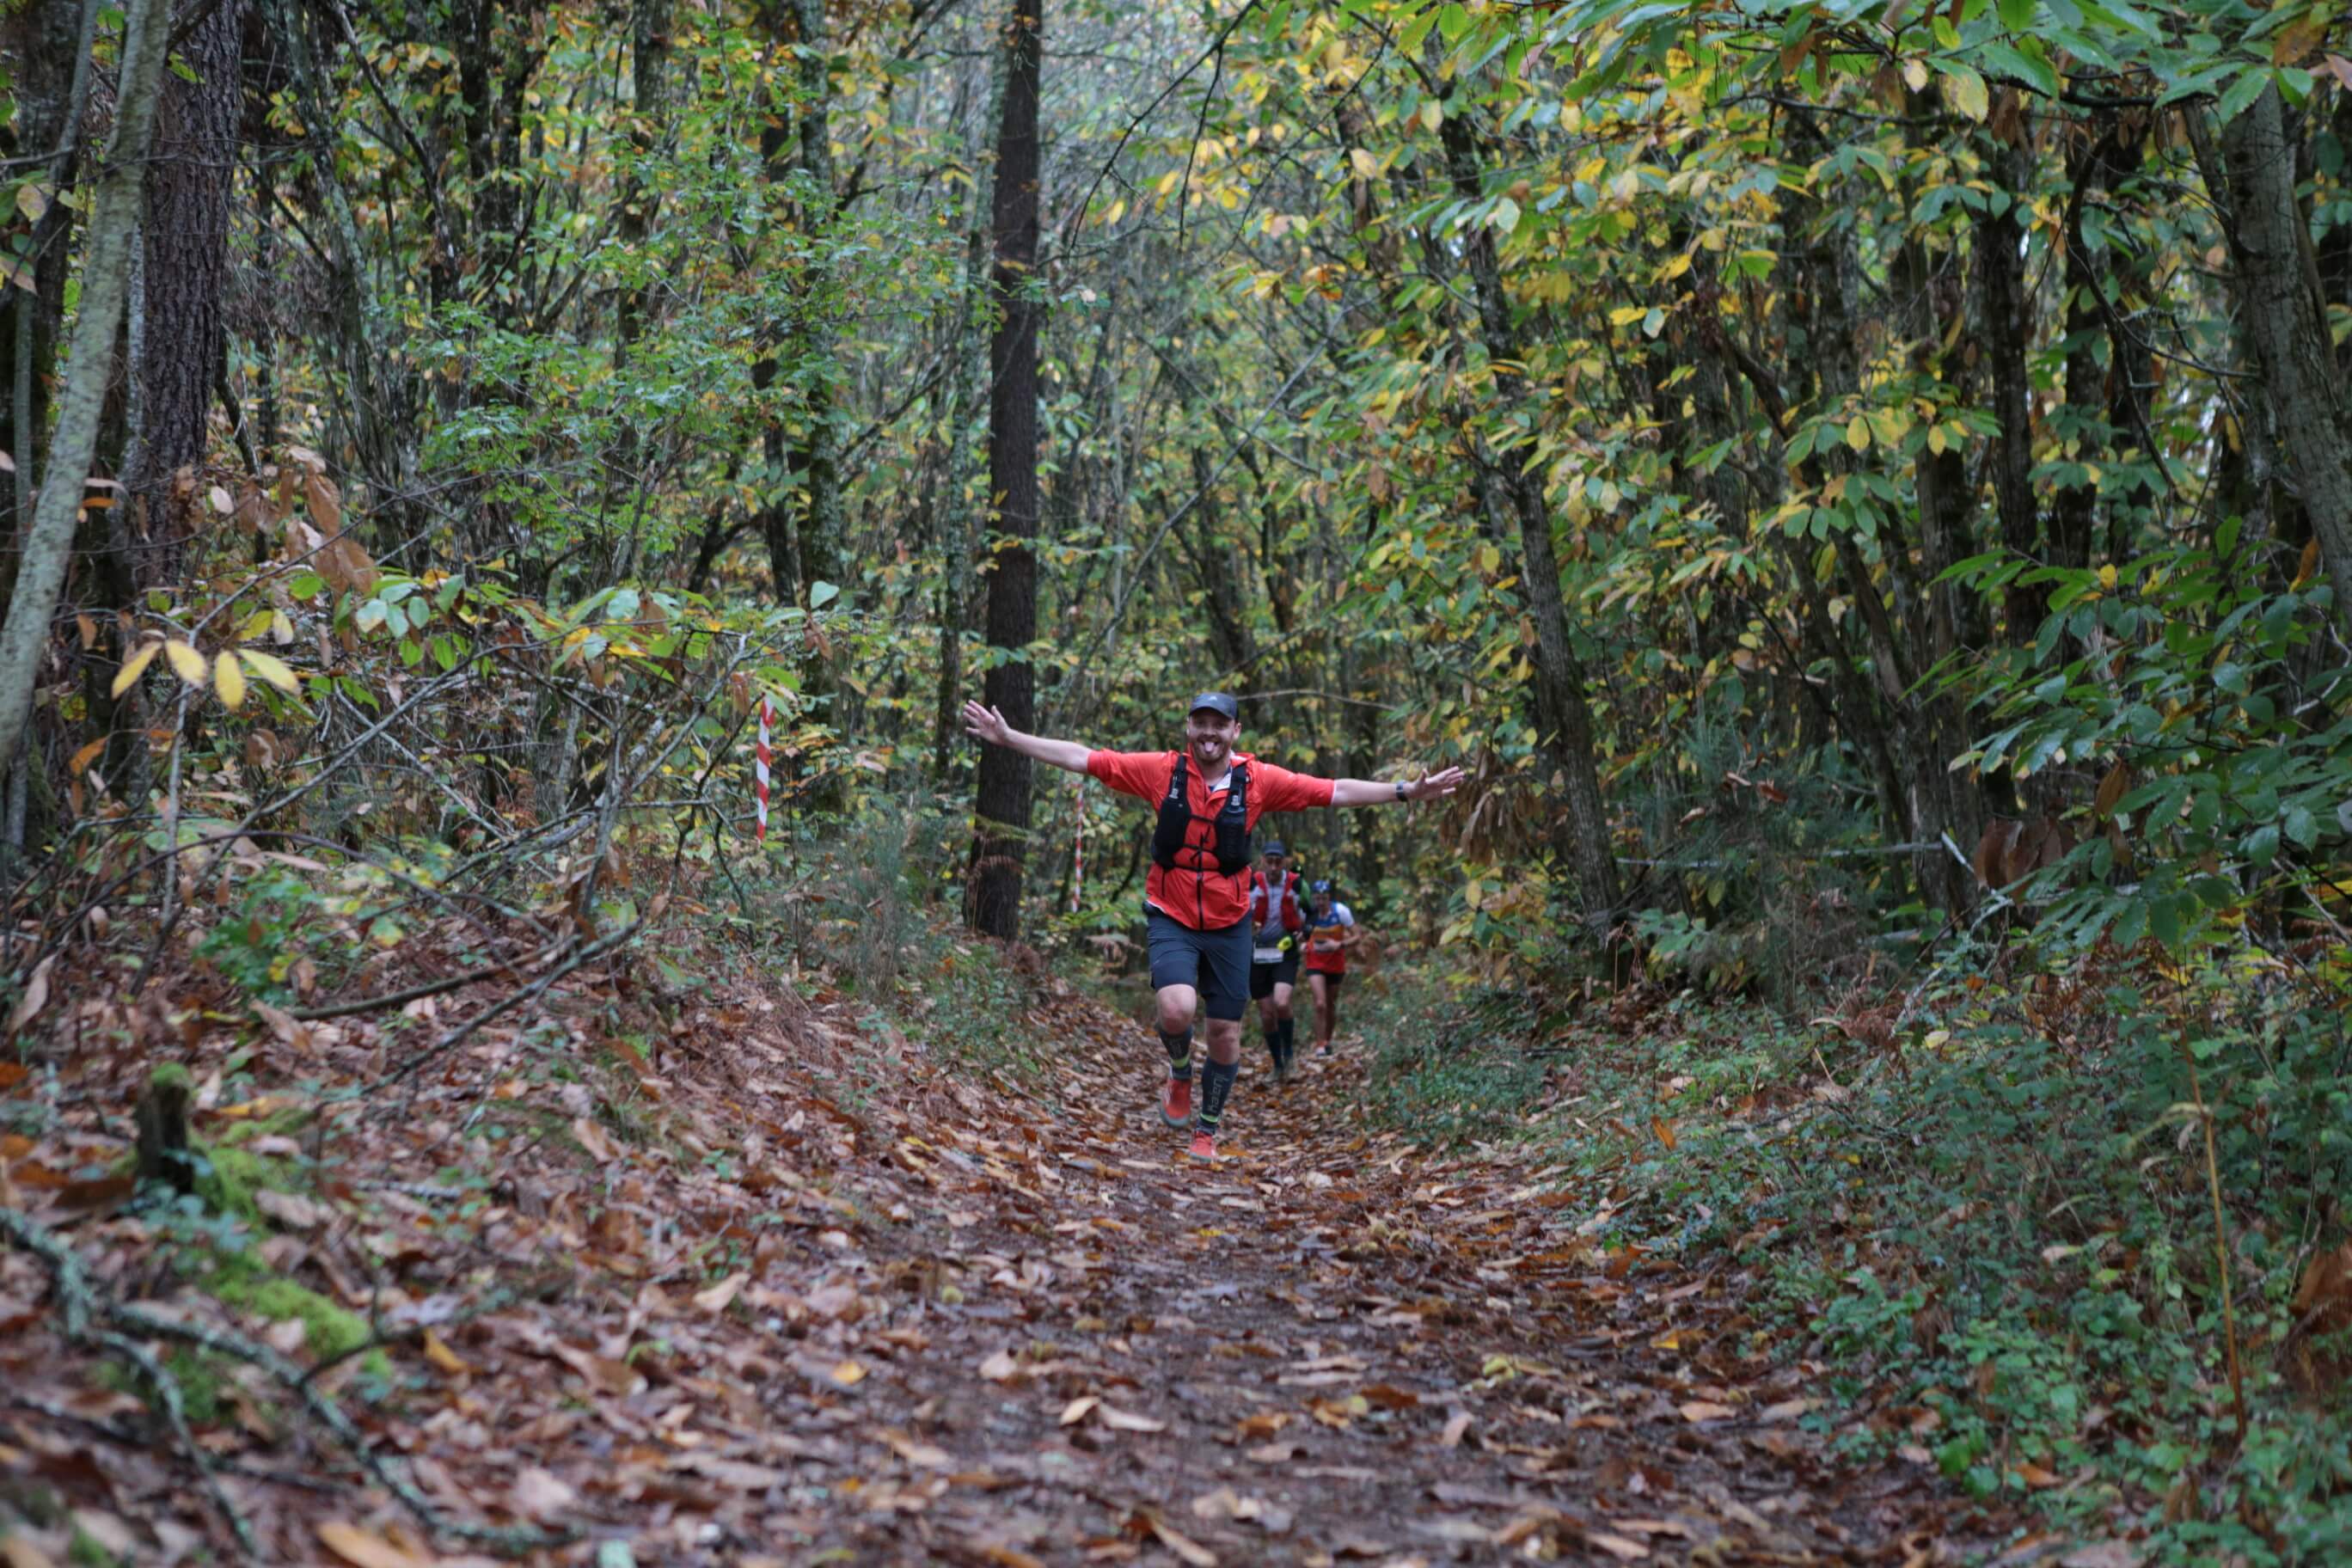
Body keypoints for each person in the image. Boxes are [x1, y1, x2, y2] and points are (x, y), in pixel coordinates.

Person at [960, 690, 1462, 1161]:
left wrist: (1405, 791)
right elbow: (1084, 758)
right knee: (1176, 1009)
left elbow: (1333, 791)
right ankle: (1180, 1071)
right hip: (1172, 911)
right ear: (1188, 728)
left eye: (1219, 725)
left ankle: (1206, 1129)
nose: (1209, 733)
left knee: (1223, 1031)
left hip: (1230, 921)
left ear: (1235, 732)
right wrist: (1010, 738)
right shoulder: (1162, 771)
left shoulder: (1258, 780)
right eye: (1201, 723)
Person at [1247, 842, 1306, 1082]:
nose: (1273, 867)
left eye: (1278, 862)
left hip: (1285, 951)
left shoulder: (1297, 884)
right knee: (1267, 1014)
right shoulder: (1250, 883)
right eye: (1269, 861)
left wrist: (1306, 930)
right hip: (1257, 954)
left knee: (1281, 1003)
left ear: (1284, 862)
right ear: (1262, 861)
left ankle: (1290, 1057)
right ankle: (1277, 1065)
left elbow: (1311, 912)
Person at [1302, 879, 1359, 1058]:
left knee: (1330, 1004)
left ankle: (1327, 1040)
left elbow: (1357, 936)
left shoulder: (1341, 911)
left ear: (1329, 898)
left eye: (1324, 899)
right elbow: (1298, 935)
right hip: (1314, 962)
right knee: (1320, 1003)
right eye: (1317, 899)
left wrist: (1339, 944)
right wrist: (1302, 945)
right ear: (1313, 898)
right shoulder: (1307, 913)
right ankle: (1319, 1045)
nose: (1320, 902)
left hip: (1335, 963)